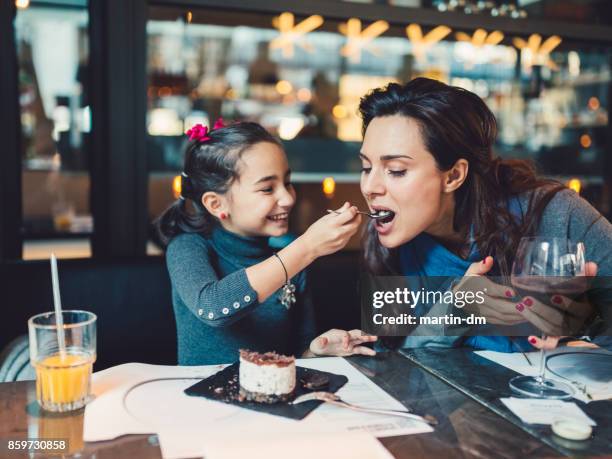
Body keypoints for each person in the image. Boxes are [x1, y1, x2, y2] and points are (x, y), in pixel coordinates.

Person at [357, 78, 612, 352]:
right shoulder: (385, 238)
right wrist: (456, 307)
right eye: (366, 167)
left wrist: (589, 327)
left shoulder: (556, 213)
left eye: (395, 170)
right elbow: (393, 357)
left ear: (453, 175)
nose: (370, 187)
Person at [157, 119, 376, 364]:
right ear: (217, 204)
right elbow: (213, 308)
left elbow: (296, 358)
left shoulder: (292, 259)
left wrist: (316, 351)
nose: (288, 198)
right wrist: (307, 247)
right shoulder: (189, 246)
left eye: (287, 183)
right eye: (267, 189)